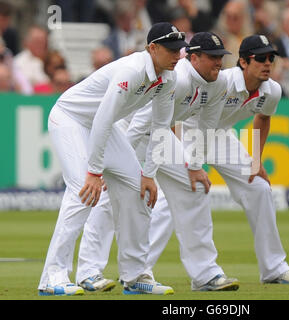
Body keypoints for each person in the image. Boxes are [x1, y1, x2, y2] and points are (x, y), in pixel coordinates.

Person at [76, 31, 240, 293]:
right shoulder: (180, 79)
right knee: (111, 198)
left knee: (194, 186)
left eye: (221, 57)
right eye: (213, 57)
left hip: (159, 135)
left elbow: (207, 126)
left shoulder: (218, 83)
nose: (219, 63)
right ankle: (88, 271)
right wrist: (120, 164)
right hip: (131, 132)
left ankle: (205, 274)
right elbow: (141, 122)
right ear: (194, 57)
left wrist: (196, 166)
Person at [38, 22, 187, 296]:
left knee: (138, 190)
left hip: (101, 125)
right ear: (152, 49)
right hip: (71, 119)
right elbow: (104, 119)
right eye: (171, 50)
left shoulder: (169, 77)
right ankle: (53, 277)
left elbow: (160, 127)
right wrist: (94, 172)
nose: (178, 55)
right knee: (82, 192)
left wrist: (149, 174)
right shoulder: (130, 71)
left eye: (180, 49)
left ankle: (134, 275)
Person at [144, 35, 289, 285]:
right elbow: (179, 111)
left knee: (259, 188)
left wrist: (256, 159)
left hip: (220, 136)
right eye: (260, 58)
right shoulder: (224, 81)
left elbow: (262, 118)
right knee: (180, 194)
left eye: (270, 58)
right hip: (190, 132)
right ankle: (139, 270)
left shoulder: (272, 90)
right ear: (242, 61)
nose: (267, 63)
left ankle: (274, 269)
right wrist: (178, 151)